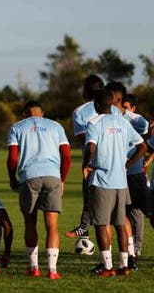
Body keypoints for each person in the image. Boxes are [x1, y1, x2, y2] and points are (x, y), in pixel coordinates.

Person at [83, 89, 146, 277]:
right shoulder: (123, 123)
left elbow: (91, 146)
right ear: (111, 104)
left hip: (103, 180)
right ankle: (124, 265)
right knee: (120, 223)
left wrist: (86, 164)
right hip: (121, 181)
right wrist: (127, 164)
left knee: (102, 224)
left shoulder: (93, 123)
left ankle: (108, 267)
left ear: (95, 104)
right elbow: (142, 147)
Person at [7, 101, 71, 280]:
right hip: (52, 175)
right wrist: (63, 179)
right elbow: (66, 155)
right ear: (42, 113)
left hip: (29, 176)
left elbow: (13, 157)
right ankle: (52, 270)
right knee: (52, 225)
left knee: (30, 222)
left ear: (24, 114)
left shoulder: (17, 127)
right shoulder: (56, 126)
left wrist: (12, 177)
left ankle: (34, 267)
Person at [66, 74, 120, 239]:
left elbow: (87, 142)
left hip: (94, 163)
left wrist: (88, 163)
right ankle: (128, 255)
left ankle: (85, 228)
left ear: (85, 90)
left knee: (94, 203)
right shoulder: (115, 110)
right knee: (117, 212)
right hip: (117, 162)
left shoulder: (79, 111)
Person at [109, 86, 149, 270]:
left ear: (131, 108)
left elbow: (145, 125)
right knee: (121, 214)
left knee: (139, 212)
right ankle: (130, 253)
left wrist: (125, 113)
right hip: (118, 174)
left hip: (134, 173)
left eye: (125, 106)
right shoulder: (111, 119)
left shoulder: (133, 120)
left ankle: (137, 250)